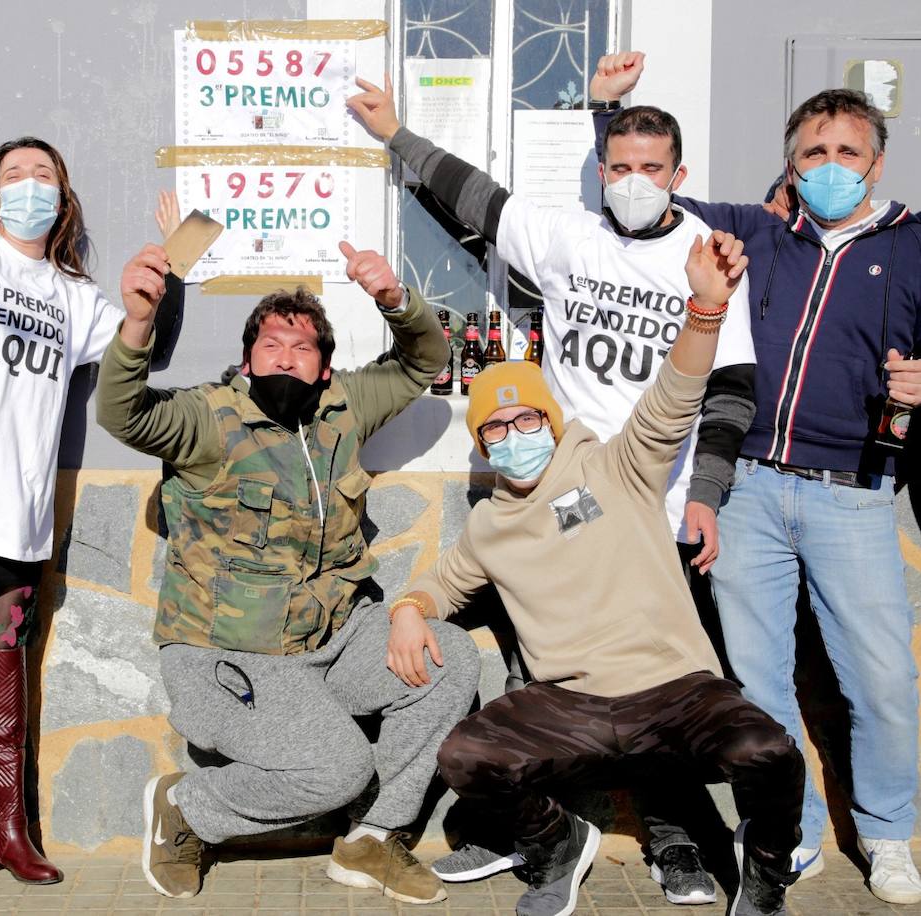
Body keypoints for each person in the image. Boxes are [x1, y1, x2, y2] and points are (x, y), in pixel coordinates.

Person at [348, 75, 756, 904]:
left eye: (651, 166)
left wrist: (707, 493)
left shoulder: (706, 252)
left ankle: (674, 841)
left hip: (659, 506)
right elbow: (478, 199)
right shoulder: (569, 237)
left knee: (661, 685)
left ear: (677, 172)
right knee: (537, 669)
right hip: (556, 492)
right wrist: (396, 135)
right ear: (600, 169)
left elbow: (732, 387)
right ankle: (523, 833)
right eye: (618, 165)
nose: (633, 180)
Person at [391, 231, 806, 916]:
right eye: (496, 428)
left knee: (769, 752)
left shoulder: (616, 469)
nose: (513, 433)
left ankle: (763, 875)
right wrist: (409, 609)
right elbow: (441, 582)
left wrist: (705, 309)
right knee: (466, 754)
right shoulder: (491, 525)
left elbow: (674, 396)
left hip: (674, 691)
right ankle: (558, 846)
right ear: (484, 445)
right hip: (569, 705)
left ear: (551, 422)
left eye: (527, 417)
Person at [591, 51, 921, 905]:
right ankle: (789, 831)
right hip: (749, 488)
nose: (832, 168)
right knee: (758, 682)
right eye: (814, 153)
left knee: (880, 677)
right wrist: (606, 113)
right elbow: (642, 199)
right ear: (791, 163)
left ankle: (887, 835)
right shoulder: (758, 232)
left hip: (854, 491)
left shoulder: (915, 245)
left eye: (849, 153)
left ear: (876, 162)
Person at [97, 241, 480, 905]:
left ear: (325, 368)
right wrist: (137, 324)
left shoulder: (345, 407)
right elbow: (123, 412)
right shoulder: (209, 418)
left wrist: (394, 298)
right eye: (271, 344)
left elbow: (427, 358)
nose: (284, 356)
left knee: (450, 662)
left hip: (334, 638)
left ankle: (372, 839)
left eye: (302, 347)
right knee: (338, 768)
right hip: (227, 653)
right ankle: (188, 810)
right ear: (248, 360)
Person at [0, 139, 182, 897]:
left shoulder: (72, 291)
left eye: (46, 177)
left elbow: (135, 346)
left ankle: (7, 829)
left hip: (25, 523)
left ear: (63, 199)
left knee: (6, 682)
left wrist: (154, 290)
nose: (31, 187)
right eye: (15, 175)